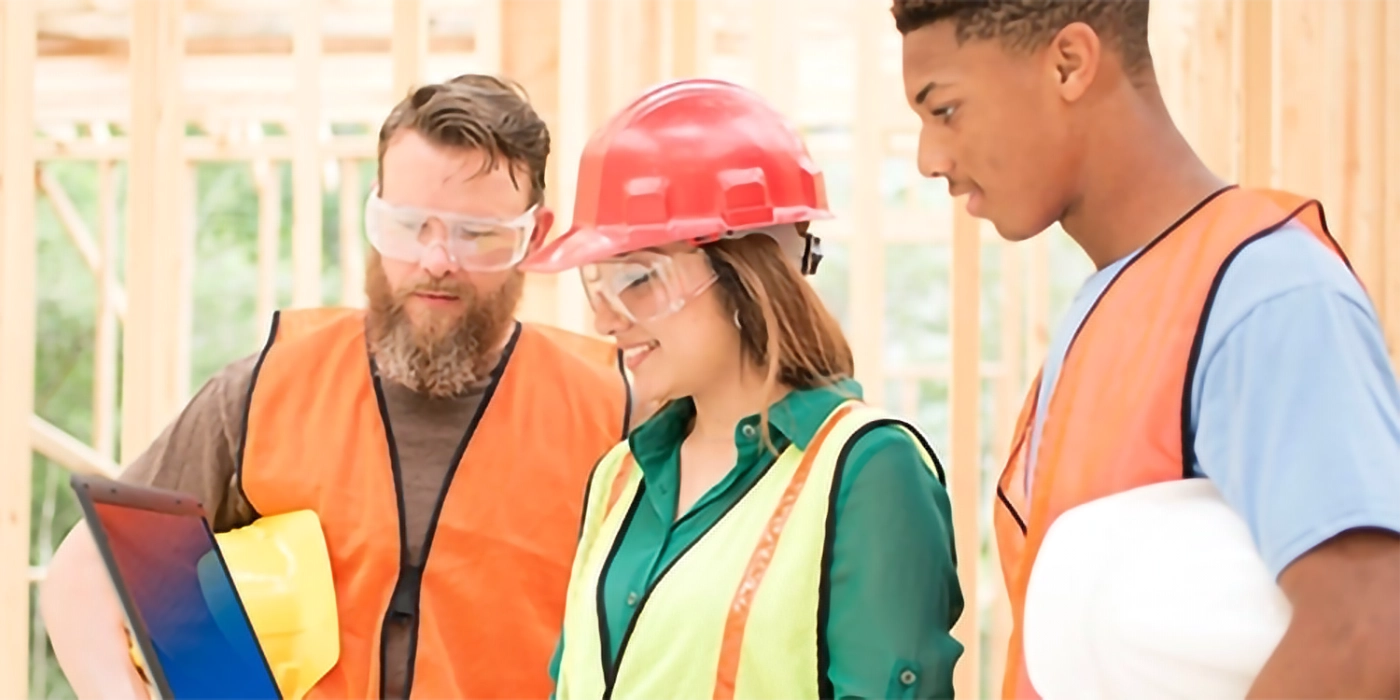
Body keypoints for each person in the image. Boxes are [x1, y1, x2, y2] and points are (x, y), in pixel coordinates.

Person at [41, 74, 636, 700]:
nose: (437, 260)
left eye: (477, 235)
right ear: (374, 213)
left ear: (534, 239)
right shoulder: (266, 389)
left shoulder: (616, 414)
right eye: (409, 226)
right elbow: (87, 572)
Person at [890, 0, 1400, 698]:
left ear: (1069, 63)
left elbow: (1365, 629)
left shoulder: (1267, 295)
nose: (930, 159)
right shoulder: (1099, 320)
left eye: (944, 110)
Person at [524, 77, 964, 700]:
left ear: (746, 276)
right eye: (599, 283)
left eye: (639, 278)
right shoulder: (619, 478)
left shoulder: (868, 470)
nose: (606, 318)